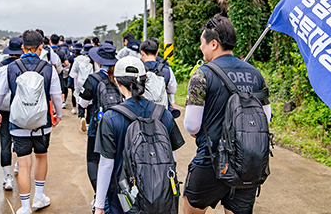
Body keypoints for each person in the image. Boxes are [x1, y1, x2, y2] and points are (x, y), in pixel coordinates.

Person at [183, 15, 271, 214]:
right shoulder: (256, 74)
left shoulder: (202, 74)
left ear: (213, 43)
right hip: (249, 163)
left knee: (191, 209)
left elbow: (192, 126)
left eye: (202, 43)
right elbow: (266, 118)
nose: (201, 48)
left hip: (211, 161)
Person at [93, 56, 185, 214]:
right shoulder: (163, 114)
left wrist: (99, 204)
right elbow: (172, 159)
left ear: (117, 82)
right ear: (145, 79)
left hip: (124, 199)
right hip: (161, 198)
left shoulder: (110, 118)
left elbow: (106, 165)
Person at [0, 30, 63, 214]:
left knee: (24, 164)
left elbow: (0, 94)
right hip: (42, 123)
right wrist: (58, 114)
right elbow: (56, 96)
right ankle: (39, 197)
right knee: (41, 157)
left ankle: (24, 207)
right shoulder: (48, 68)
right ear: (41, 47)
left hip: (18, 124)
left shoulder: (12, 68)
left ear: (23, 47)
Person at [79, 42, 120, 192]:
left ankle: (100, 195)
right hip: (119, 124)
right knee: (115, 161)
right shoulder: (119, 77)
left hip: (98, 127)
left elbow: (83, 103)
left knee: (92, 160)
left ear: (98, 61)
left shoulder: (93, 79)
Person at [0, 37, 23, 191]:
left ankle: (7, 178)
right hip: (20, 109)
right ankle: (17, 165)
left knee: (5, 141)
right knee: (20, 138)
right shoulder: (24, 66)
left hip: (3, 109)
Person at [140, 38, 178, 108]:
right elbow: (172, 90)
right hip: (161, 111)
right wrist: (172, 102)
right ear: (157, 52)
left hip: (143, 110)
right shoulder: (167, 69)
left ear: (142, 53)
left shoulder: (138, 69)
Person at [50, 33, 70, 108]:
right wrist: (61, 66)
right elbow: (67, 63)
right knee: (61, 87)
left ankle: (52, 105)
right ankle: (62, 102)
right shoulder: (61, 52)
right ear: (58, 41)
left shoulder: (48, 51)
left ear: (50, 41)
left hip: (50, 72)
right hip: (59, 72)